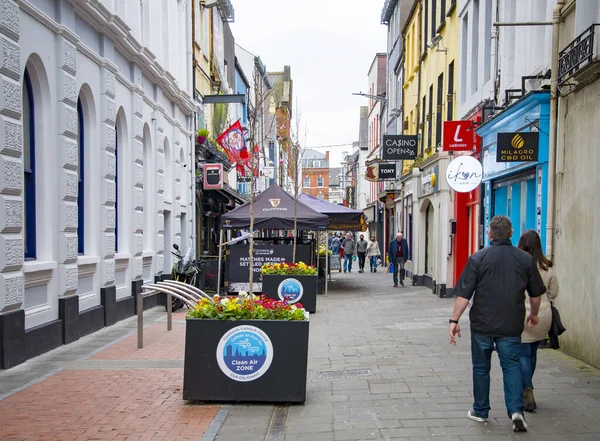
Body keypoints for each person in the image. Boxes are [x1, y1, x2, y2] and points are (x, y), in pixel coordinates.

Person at [449, 216, 546, 433]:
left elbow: (464, 295)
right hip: (511, 322)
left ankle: (480, 411)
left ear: (490, 235)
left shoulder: (477, 258)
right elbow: (536, 294)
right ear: (511, 233)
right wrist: (535, 314)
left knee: (481, 367)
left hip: (482, 324)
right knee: (511, 365)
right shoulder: (524, 259)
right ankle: (516, 411)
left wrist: (454, 320)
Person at [517, 230, 559, 412]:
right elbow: (553, 292)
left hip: (524, 314)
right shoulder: (547, 266)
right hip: (543, 315)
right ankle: (527, 387)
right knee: (533, 353)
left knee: (523, 354)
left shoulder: (518, 263)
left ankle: (527, 390)